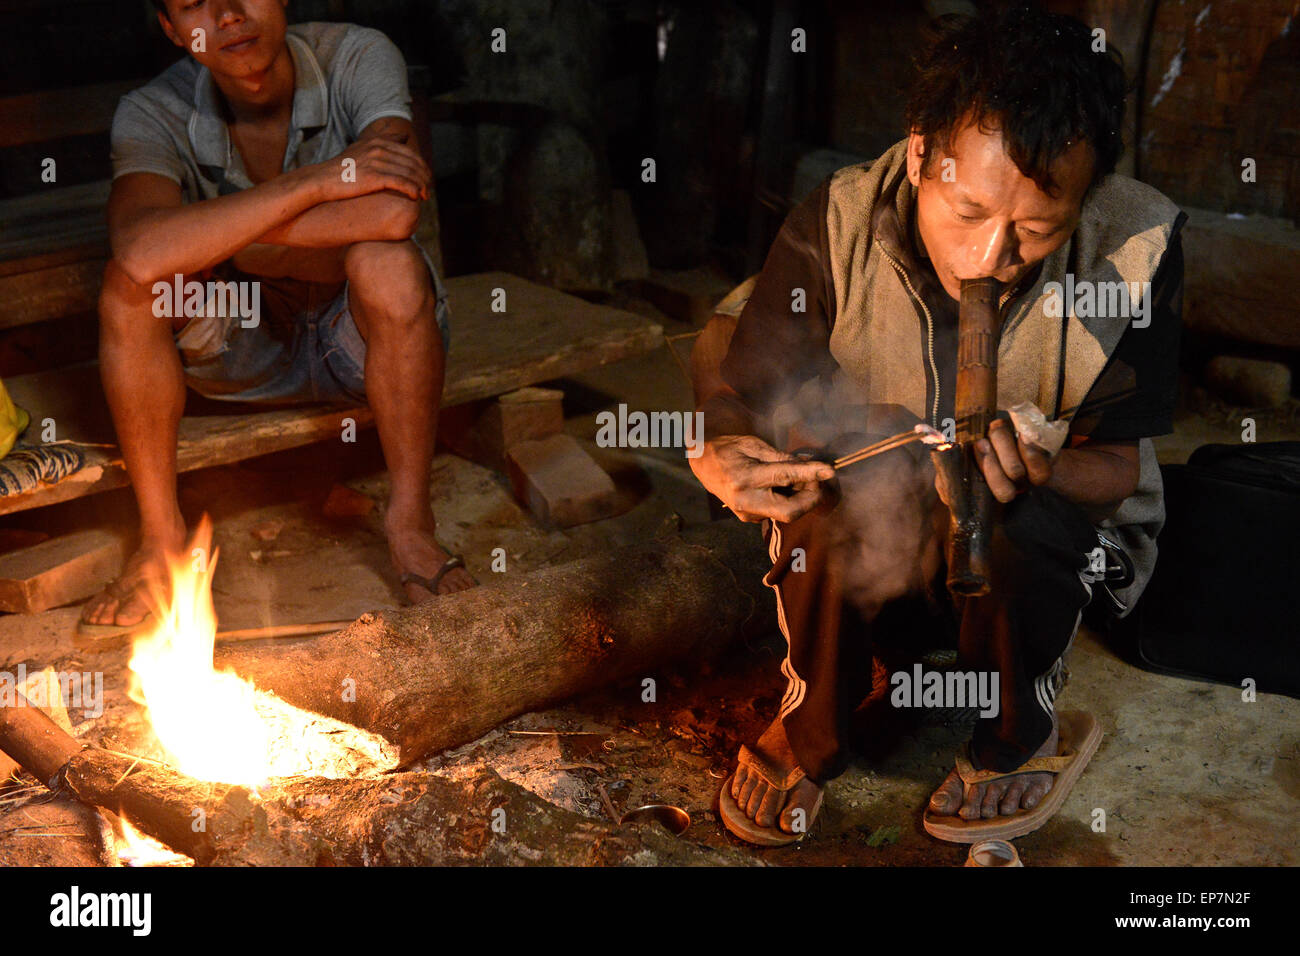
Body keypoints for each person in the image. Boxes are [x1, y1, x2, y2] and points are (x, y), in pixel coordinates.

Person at [690, 5, 1185, 845]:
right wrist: (718, 453)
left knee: (1019, 512)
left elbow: (1118, 468)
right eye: (967, 212)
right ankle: (813, 723)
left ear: (1086, 196)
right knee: (827, 484)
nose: (991, 258)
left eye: (1034, 231)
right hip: (888, 566)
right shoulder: (840, 216)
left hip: (1044, 568)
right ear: (922, 151)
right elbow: (745, 392)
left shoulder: (1135, 243)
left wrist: (1042, 468)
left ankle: (1019, 735)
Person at [79, 0, 477, 641]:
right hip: (244, 342)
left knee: (387, 262)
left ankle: (410, 527)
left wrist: (218, 235)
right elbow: (140, 249)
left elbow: (393, 213)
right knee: (129, 287)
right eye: (194, 5)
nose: (228, 14)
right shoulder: (151, 109)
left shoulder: (356, 56)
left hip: (360, 339)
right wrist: (318, 182)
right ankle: (160, 541)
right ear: (173, 30)